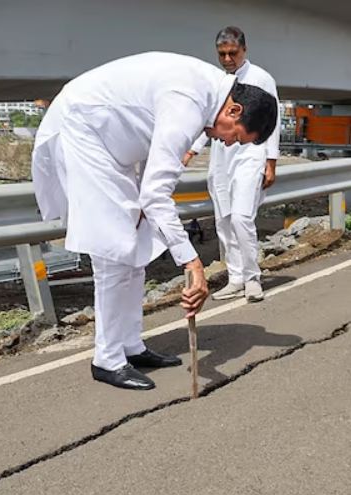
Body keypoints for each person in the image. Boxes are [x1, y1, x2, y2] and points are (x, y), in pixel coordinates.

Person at [31, 51, 278, 391]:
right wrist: (193, 264)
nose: (227, 142)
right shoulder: (189, 104)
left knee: (137, 245)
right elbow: (155, 194)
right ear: (234, 110)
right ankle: (107, 359)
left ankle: (131, 345)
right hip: (83, 129)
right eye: (236, 136)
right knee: (114, 251)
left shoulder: (206, 95)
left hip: (116, 145)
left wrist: (154, 218)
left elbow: (156, 171)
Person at [183, 27, 280, 303]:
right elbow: (207, 120)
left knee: (241, 218)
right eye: (222, 54)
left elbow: (272, 123)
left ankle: (252, 278)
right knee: (223, 220)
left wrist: (270, 162)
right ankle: (235, 277)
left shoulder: (262, 78)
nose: (227, 59)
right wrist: (191, 151)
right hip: (221, 155)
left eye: (232, 53)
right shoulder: (216, 81)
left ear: (244, 50)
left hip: (251, 152)